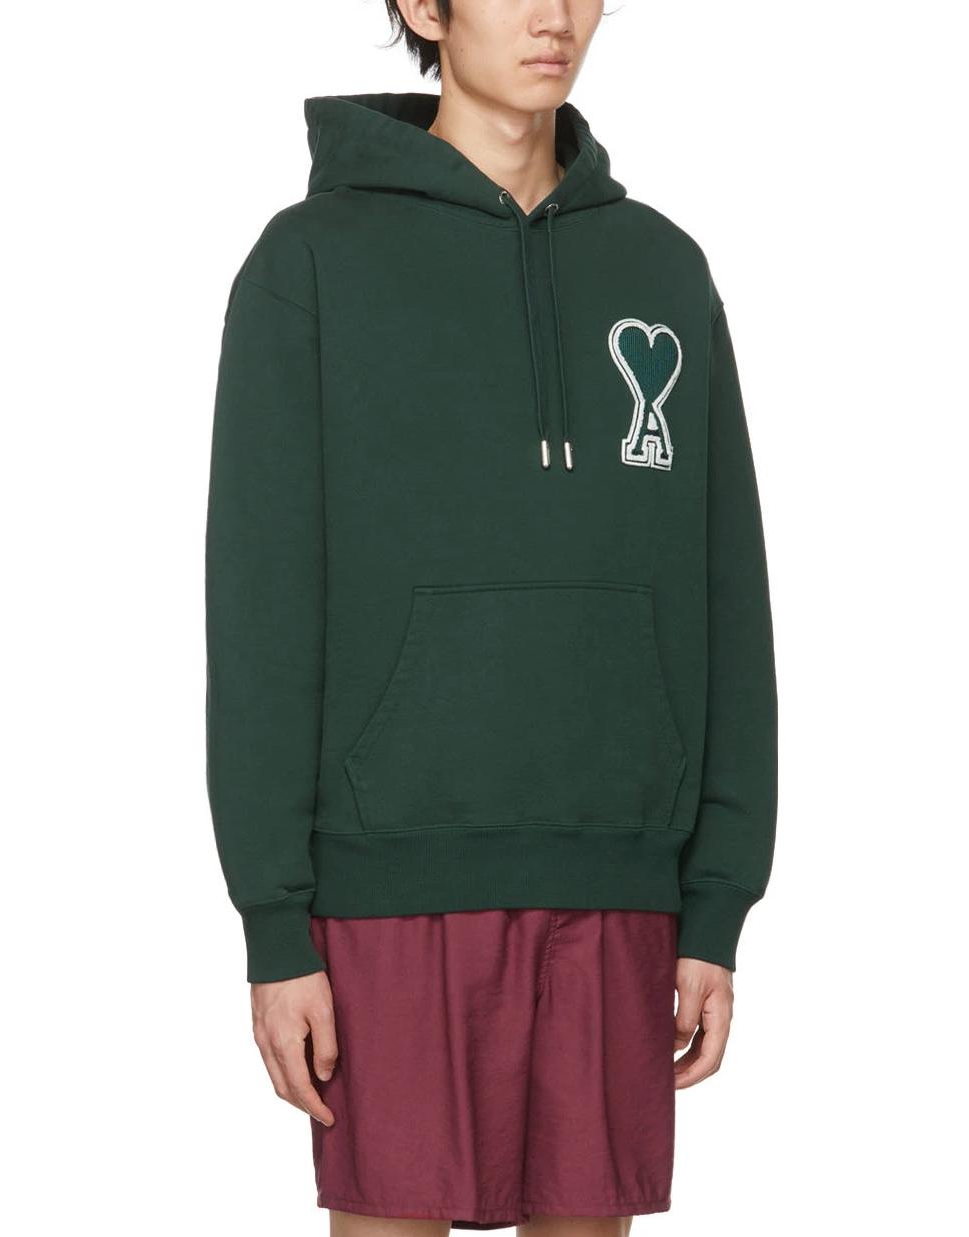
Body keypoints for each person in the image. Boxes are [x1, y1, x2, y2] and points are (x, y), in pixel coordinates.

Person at [203, 1, 777, 1232]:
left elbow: (729, 595)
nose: (553, 16)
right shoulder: (311, 265)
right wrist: (274, 921)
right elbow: (258, 609)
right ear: (424, 5)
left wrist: (718, 901)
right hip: (386, 889)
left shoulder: (663, 270)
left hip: (616, 881)